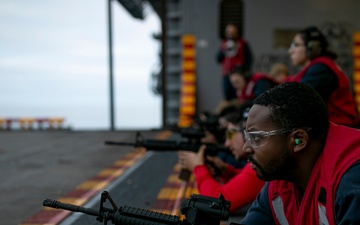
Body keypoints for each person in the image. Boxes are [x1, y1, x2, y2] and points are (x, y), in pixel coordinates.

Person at [240, 82, 360, 224]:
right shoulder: (280, 181)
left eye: (256, 137)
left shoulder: (352, 183)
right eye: (247, 137)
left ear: (299, 140)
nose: (245, 148)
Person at [177, 107, 265, 213]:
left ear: (247, 132)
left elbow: (218, 203)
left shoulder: (262, 163)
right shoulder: (261, 162)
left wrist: (198, 168)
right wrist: (226, 171)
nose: (227, 143)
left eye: (230, 134)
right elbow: (246, 181)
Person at [288, 26, 359, 127]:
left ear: (312, 47)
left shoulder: (321, 68)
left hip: (338, 130)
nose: (290, 51)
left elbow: (298, 101)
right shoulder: (319, 67)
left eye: (296, 45)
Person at [216, 23, 254, 101]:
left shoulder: (243, 43)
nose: (231, 35)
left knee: (239, 96)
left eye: (233, 32)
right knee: (227, 95)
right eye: (229, 32)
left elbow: (249, 59)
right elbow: (218, 59)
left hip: (239, 75)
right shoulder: (224, 44)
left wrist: (245, 71)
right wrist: (224, 50)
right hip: (227, 75)